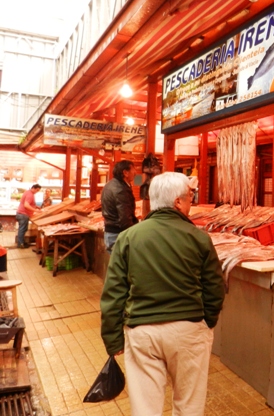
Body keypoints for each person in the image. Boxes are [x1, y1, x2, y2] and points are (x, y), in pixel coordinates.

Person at [100, 172, 225, 415]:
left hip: (142, 332)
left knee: (146, 408)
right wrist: (206, 321)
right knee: (189, 404)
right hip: (189, 331)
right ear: (177, 202)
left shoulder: (127, 238)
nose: (191, 202)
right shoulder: (199, 238)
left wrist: (113, 339)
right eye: (189, 197)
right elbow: (215, 287)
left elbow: (113, 293)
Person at [101, 160, 138, 253]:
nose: (135, 172)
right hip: (117, 234)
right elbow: (124, 218)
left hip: (111, 232)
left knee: (116, 264)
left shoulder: (109, 185)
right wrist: (134, 234)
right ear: (125, 173)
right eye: (133, 169)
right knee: (122, 265)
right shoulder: (121, 190)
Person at [16, 184, 41, 248]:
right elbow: (26, 205)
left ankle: (22, 242)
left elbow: (29, 203)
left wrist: (35, 206)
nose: (37, 192)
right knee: (22, 229)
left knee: (24, 229)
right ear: (33, 188)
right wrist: (35, 210)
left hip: (21, 214)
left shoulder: (27, 192)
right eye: (37, 190)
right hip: (23, 214)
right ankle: (20, 244)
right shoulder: (30, 195)